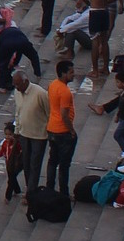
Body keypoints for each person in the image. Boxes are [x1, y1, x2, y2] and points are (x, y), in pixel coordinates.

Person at [12, 70, 50, 195]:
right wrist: (17, 130)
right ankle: (30, 186)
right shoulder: (17, 93)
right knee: (26, 163)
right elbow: (18, 112)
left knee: (35, 163)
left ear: (26, 82)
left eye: (18, 85)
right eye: (15, 85)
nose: (17, 88)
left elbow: (49, 113)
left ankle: (31, 192)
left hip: (39, 135)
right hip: (23, 134)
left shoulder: (40, 93)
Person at [45, 61, 78, 191]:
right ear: (63, 73)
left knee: (52, 160)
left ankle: (49, 188)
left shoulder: (53, 85)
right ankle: (63, 191)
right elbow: (64, 115)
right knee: (64, 164)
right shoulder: (65, 92)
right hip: (63, 131)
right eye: (71, 72)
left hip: (52, 128)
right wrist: (72, 131)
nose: (73, 74)